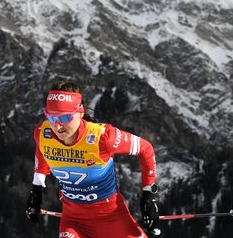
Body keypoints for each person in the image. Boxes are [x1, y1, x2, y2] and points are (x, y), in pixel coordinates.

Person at [25, 81, 160, 237]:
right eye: (51, 117)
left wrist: (149, 196)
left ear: (80, 112)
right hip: (74, 221)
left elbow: (146, 148)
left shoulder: (103, 137)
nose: (58, 126)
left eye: (65, 117)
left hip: (112, 218)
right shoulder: (43, 133)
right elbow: (42, 150)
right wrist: (36, 191)